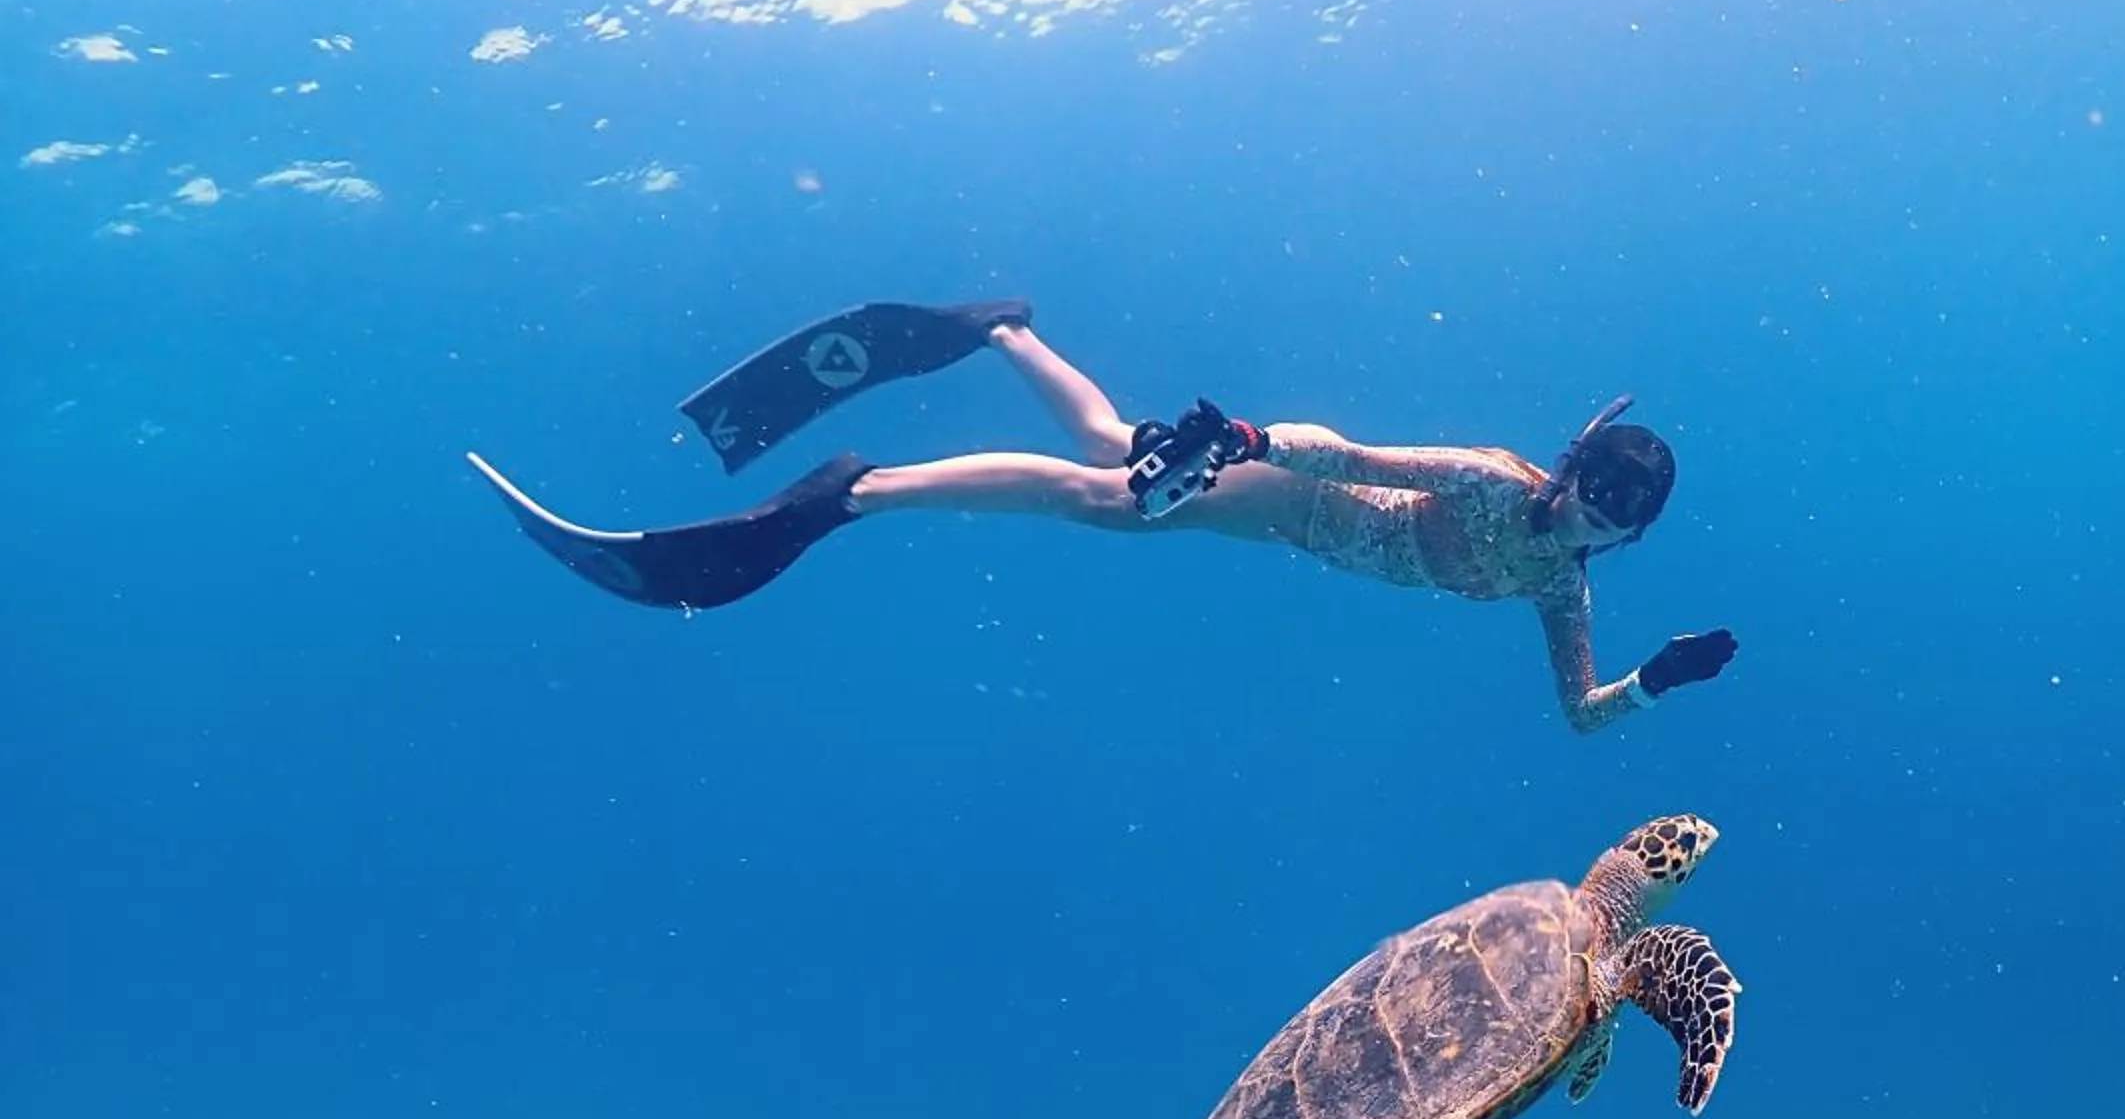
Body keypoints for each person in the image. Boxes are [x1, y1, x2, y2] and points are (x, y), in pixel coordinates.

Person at [468, 299, 1739, 733]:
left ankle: (1000, 326)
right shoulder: (1489, 480)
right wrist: (1242, 441)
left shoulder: (1563, 591)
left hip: (1289, 530)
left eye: (1613, 525)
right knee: (1101, 497)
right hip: (1290, 495)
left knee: (1098, 442)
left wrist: (1655, 685)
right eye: (1588, 500)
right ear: (1568, 473)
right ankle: (843, 498)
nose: (1582, 530)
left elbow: (1579, 716)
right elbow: (1347, 450)